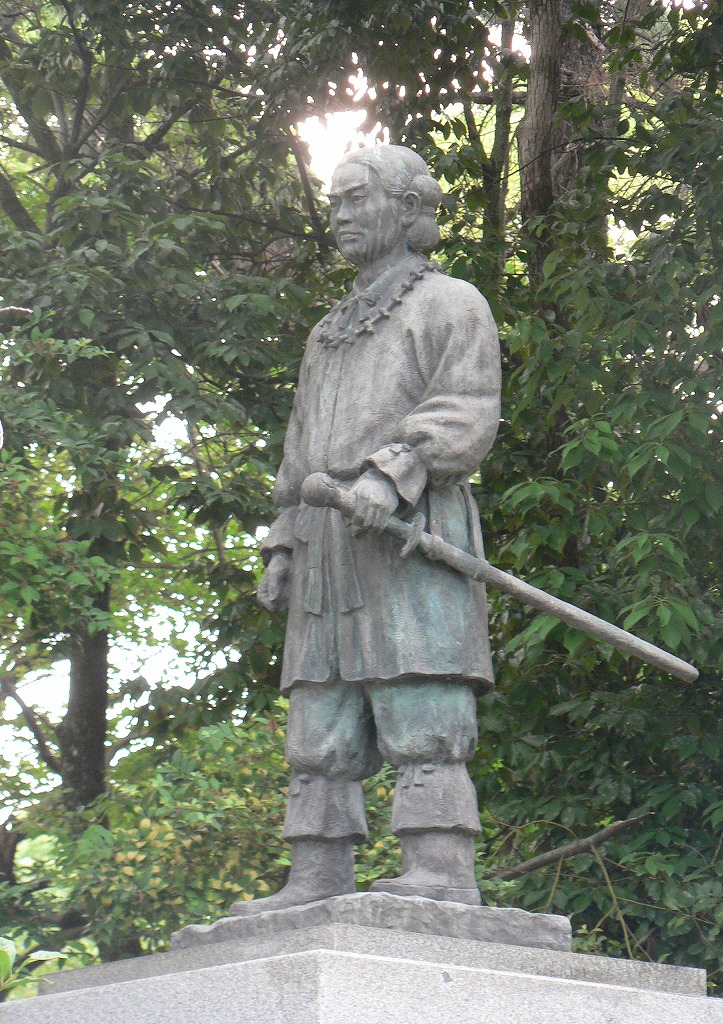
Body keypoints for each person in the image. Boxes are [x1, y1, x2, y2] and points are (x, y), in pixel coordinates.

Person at [250, 144, 501, 910]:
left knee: (420, 699)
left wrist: (390, 476)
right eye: (334, 203)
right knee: (320, 710)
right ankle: (316, 872)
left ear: (407, 206)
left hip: (411, 536)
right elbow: (300, 450)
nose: (341, 215)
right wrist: (284, 543)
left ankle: (440, 866)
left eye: (356, 198)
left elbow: (465, 408)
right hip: (325, 543)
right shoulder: (327, 333)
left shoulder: (450, 303)